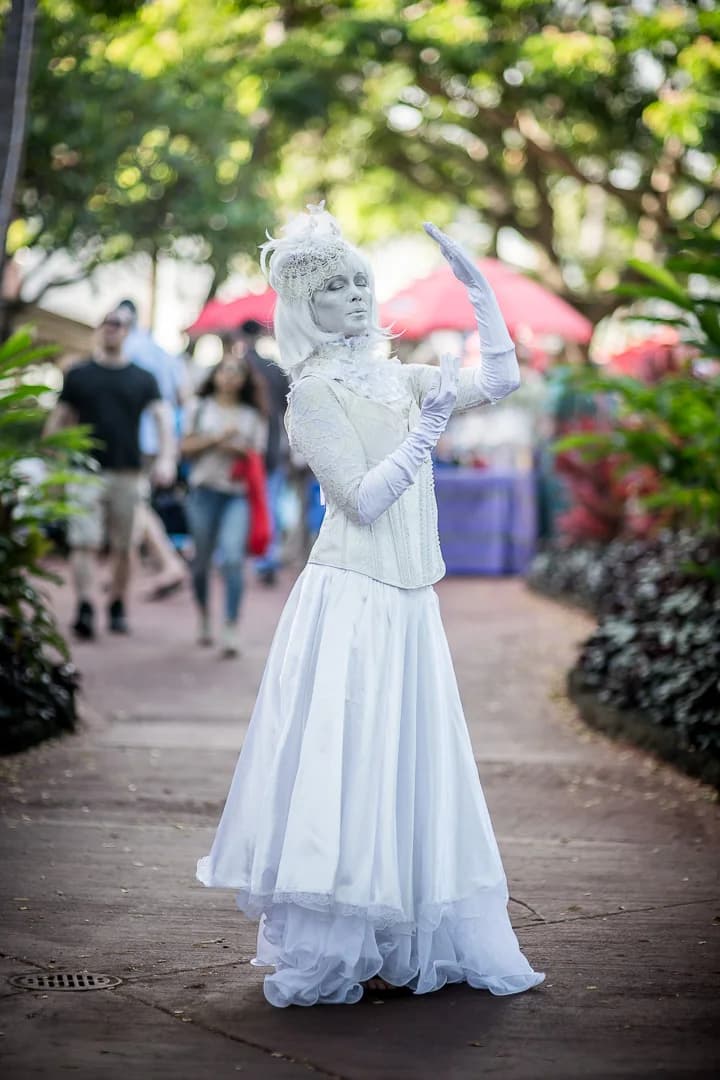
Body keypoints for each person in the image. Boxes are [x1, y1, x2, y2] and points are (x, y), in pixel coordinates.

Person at [197, 206, 544, 1006]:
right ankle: (342, 940)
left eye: (360, 280)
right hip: (352, 597)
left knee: (408, 756)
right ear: (303, 307)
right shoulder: (312, 393)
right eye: (334, 287)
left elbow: (499, 381)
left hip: (410, 598)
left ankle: (404, 936)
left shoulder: (399, 376)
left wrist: (482, 298)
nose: (354, 295)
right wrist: (423, 438)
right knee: (350, 758)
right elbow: (355, 499)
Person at [44, 306, 176, 638]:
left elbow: (163, 419)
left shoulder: (143, 377)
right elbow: (58, 420)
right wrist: (53, 462)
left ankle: (117, 603)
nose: (113, 328)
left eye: (120, 324)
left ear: (129, 331)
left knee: (124, 547)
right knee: (83, 542)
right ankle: (86, 606)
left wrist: (166, 459)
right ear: (100, 327)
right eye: (108, 322)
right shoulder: (79, 375)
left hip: (128, 473)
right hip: (84, 472)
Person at [180, 348, 269, 657]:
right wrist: (218, 439)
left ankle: (230, 624)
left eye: (236, 372)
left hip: (237, 495)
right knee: (200, 563)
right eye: (224, 370)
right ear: (215, 376)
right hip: (203, 493)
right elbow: (186, 448)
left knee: (232, 559)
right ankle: (204, 614)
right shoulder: (200, 408)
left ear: (244, 380)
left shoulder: (253, 416)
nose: (229, 376)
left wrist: (241, 450)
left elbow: (258, 456)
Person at [117, 299, 189, 598]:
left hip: (132, 439)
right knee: (135, 503)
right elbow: (183, 397)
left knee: (135, 504)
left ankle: (168, 563)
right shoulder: (164, 353)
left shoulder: (128, 348)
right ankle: (124, 569)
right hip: (158, 439)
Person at [236, 320, 291, 586]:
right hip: (269, 447)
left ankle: (242, 556)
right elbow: (286, 410)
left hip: (241, 450)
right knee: (270, 504)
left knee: (243, 503)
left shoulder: (238, 366)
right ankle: (267, 558)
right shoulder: (272, 368)